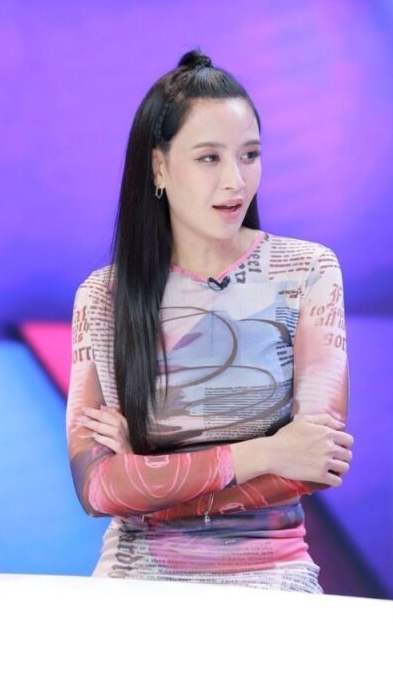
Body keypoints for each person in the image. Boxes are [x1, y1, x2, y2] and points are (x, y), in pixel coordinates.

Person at [66, 48, 352, 593]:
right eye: (208, 158)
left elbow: (316, 462)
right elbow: (99, 490)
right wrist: (268, 452)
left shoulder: (307, 272)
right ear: (158, 166)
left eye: (250, 155)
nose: (235, 181)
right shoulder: (103, 297)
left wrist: (146, 479)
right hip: (136, 575)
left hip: (273, 573)